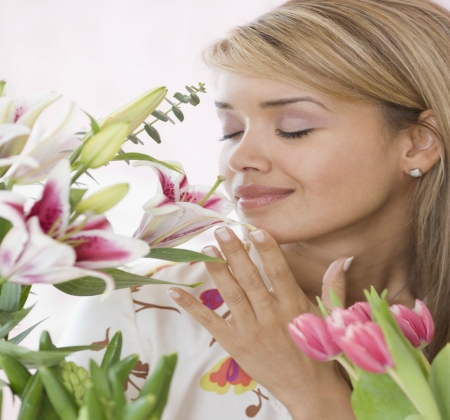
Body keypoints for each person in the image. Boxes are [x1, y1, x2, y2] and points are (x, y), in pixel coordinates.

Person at [60, 0, 450, 418]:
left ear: (418, 143)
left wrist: (316, 396)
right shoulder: (142, 311)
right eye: (231, 131)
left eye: (292, 129)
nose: (240, 158)